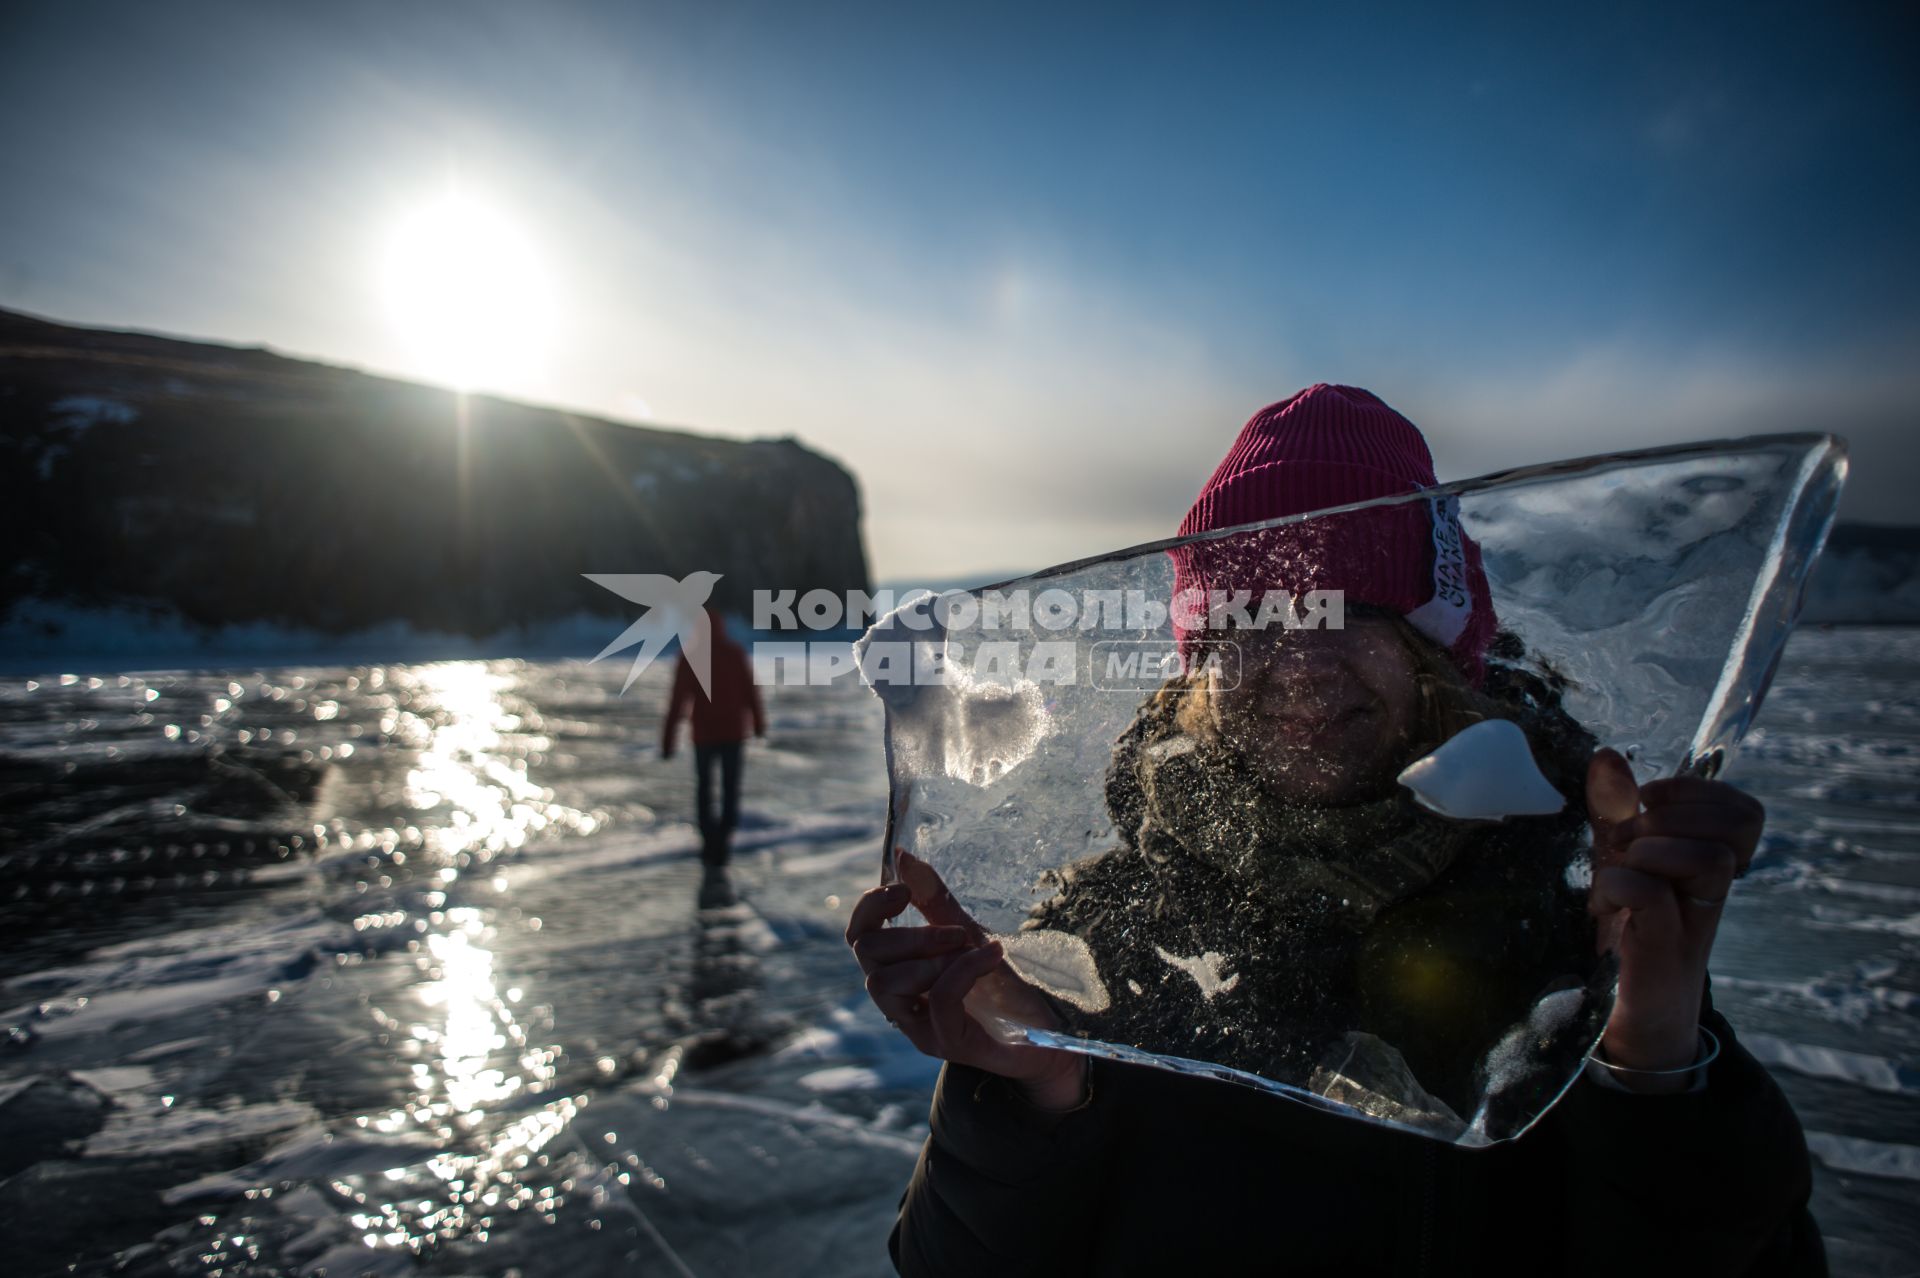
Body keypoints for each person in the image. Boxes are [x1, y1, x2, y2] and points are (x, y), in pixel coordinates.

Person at [847, 385, 1822, 1275]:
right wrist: (1031, 1090)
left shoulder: (1573, 926)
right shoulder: (1097, 938)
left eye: (1350, 612)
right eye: (1252, 621)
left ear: (1436, 652)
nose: (1301, 662)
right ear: (1200, 665)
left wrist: (1651, 1058)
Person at [661, 607, 766, 875]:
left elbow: (678, 701)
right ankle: (722, 842)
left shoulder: (692, 655)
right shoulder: (734, 654)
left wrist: (668, 739)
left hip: (706, 736)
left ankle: (711, 844)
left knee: (705, 791)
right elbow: (750, 693)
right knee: (729, 791)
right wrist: (757, 723)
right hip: (730, 734)